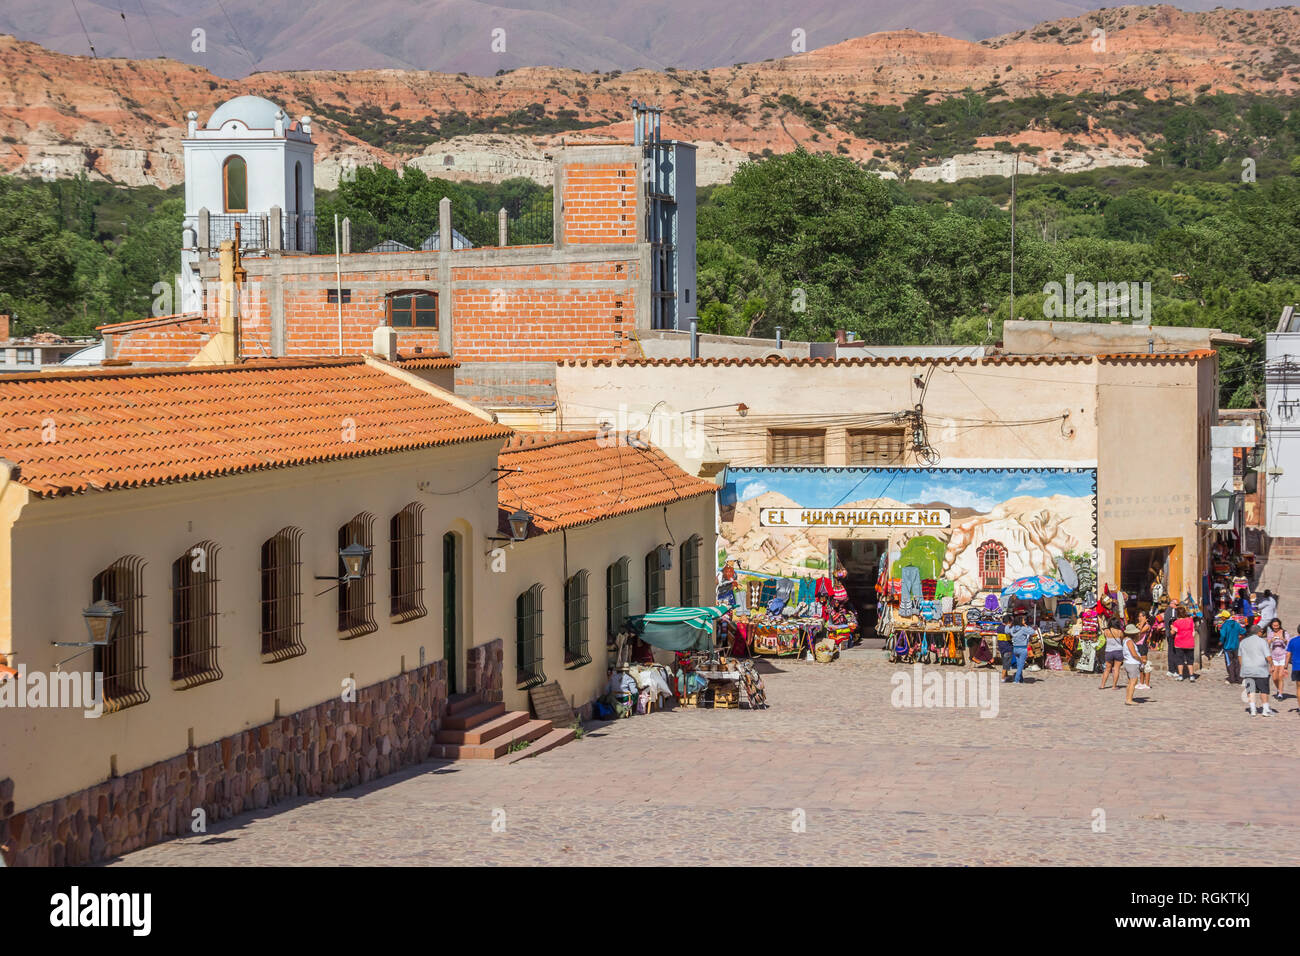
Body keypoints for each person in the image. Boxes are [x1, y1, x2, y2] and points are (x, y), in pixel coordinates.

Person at [1239, 624, 1275, 716]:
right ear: (1259, 632)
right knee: (1264, 690)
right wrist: (1272, 665)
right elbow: (1268, 656)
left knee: (1251, 690)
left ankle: (1253, 709)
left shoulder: (1243, 642)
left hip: (1248, 669)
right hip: (1261, 670)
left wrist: (1243, 666)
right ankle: (1265, 709)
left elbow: (1240, 656)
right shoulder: (1262, 642)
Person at [1099, 612, 1126, 690]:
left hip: (1108, 651)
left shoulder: (1106, 631)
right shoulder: (1120, 632)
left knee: (1107, 669)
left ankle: (1102, 685)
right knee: (1116, 669)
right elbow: (1122, 640)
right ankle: (1114, 686)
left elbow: (1104, 638)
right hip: (1118, 651)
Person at [1170, 606, 1197, 682]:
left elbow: (1173, 632)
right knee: (1190, 660)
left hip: (1179, 643)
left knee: (1180, 660)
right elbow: (1193, 632)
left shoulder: (1176, 622)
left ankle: (1181, 676)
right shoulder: (1190, 620)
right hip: (1189, 642)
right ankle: (1191, 676)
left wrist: (1171, 627)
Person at [1121, 623, 1145, 705]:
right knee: (1133, 682)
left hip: (1128, 663)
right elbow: (1134, 654)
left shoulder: (1125, 640)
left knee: (1130, 682)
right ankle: (1129, 699)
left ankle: (1128, 697)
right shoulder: (1130, 641)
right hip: (1132, 663)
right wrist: (1141, 660)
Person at [1219, 611, 1245, 685]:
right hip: (1236, 646)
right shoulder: (1236, 624)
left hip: (1227, 647)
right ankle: (1239, 678)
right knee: (1237, 662)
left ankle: (1232, 678)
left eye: (1221, 617)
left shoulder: (1225, 625)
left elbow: (1223, 635)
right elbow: (1243, 631)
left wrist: (1220, 641)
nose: (1221, 618)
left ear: (1224, 617)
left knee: (1229, 662)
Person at [1008, 616, 1036, 684]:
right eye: (1023, 620)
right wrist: (1026, 626)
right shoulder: (1023, 628)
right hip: (1022, 648)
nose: (1025, 621)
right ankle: (1016, 680)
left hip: (1015, 648)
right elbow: (1032, 632)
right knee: (1020, 666)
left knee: (1019, 665)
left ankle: (1021, 680)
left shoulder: (1012, 628)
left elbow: (1007, 631)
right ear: (1020, 621)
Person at [1267, 619, 1289, 701]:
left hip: (1283, 656)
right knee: (1274, 677)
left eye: (1277, 625)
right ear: (1271, 626)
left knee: (1280, 676)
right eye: (1274, 626)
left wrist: (1283, 639)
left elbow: (1288, 644)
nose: (1276, 627)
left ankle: (1280, 694)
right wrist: (1271, 640)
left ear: (1280, 625)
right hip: (1274, 657)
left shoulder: (1284, 632)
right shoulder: (1270, 634)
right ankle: (1278, 689)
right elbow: (1267, 645)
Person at [1134, 611, 1153, 691]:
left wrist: (1142, 623)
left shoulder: (1147, 626)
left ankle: (1147, 684)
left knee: (1145, 665)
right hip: (1137, 645)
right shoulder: (1138, 625)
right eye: (1139, 616)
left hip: (1143, 646)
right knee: (1140, 666)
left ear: (1145, 617)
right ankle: (1141, 683)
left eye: (1141, 616)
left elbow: (1139, 632)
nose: (1139, 618)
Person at [997, 613, 1015, 683]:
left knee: (1004, 662)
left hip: (1001, 647)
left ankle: (1006, 676)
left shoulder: (999, 628)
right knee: (1006, 664)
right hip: (1007, 647)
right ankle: (1003, 677)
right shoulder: (1007, 629)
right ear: (1008, 622)